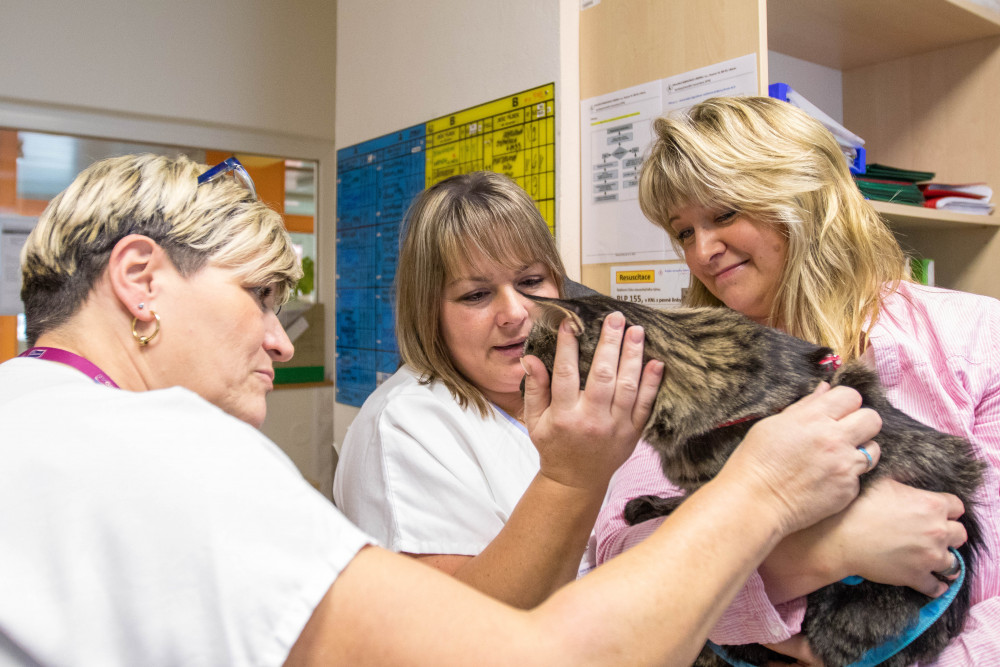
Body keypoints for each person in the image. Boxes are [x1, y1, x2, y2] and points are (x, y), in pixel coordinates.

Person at [0, 151, 888, 666]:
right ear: (140, 278)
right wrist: (766, 489)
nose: (278, 340)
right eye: (259, 295)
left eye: (533, 280)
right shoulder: (163, 448)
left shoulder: (33, 413)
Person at [596, 96, 1000, 664]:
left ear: (806, 197)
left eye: (724, 214)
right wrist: (830, 551)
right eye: (683, 232)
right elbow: (624, 564)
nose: (702, 252)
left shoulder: (977, 336)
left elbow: (991, 579)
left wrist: (736, 570)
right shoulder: (688, 369)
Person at [334, 171, 636, 608]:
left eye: (531, 282)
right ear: (428, 311)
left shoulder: (573, 390)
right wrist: (571, 478)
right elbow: (458, 626)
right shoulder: (403, 425)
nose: (514, 313)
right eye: (476, 295)